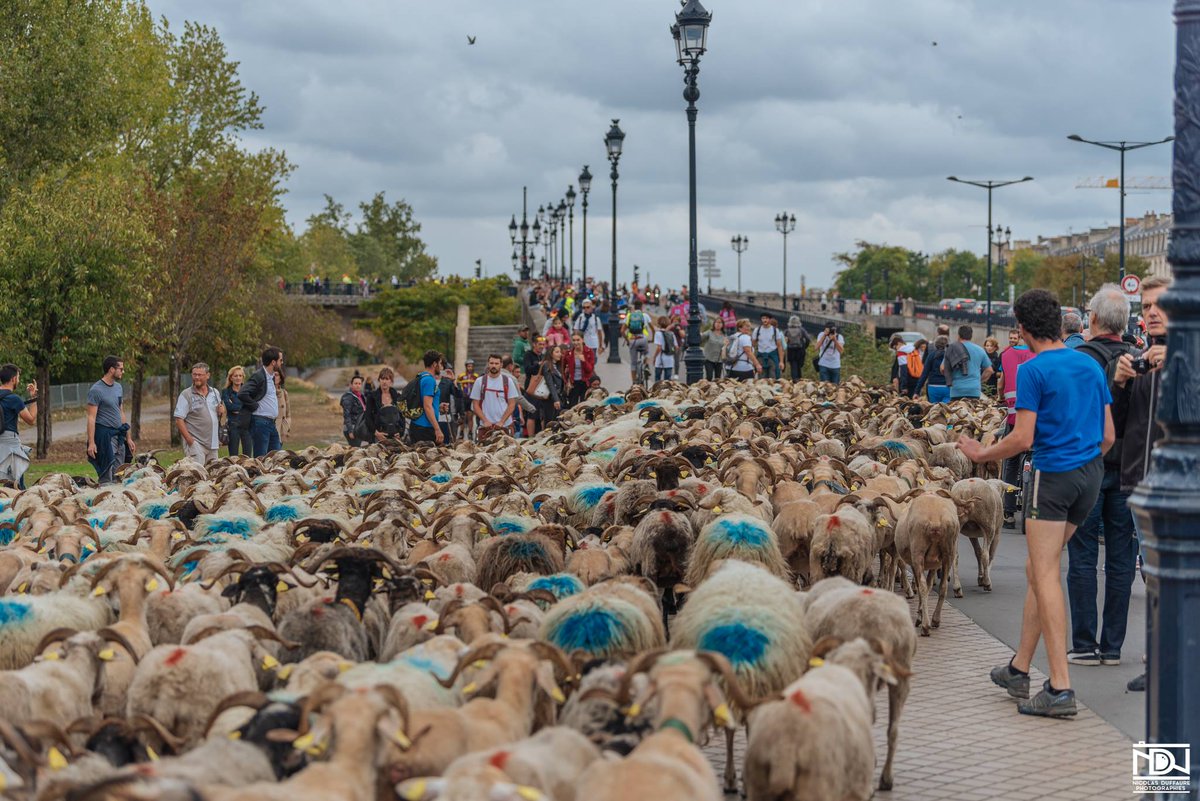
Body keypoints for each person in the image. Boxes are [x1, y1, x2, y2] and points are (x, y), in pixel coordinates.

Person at [959, 288, 1115, 718]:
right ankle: (1019, 667)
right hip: (1090, 476)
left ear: (1023, 328)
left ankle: (1061, 687)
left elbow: (1022, 439)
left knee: (1045, 573)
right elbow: (1108, 437)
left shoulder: (1032, 369)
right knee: (1036, 568)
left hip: (1054, 476)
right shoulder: (1089, 362)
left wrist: (979, 454)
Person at [1064, 284, 1138, 670]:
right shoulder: (1140, 359)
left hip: (1089, 466)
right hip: (1129, 471)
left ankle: (1082, 643)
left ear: (1091, 319)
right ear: (1125, 323)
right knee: (1122, 560)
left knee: (1083, 556)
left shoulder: (1080, 359)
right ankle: (1112, 647)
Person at [1111, 276, 1171, 692]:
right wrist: (1119, 383)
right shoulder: (1139, 359)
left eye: (1159, 305)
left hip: (1180, 488)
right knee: (1151, 575)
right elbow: (1116, 426)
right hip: (1139, 480)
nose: (1150, 311)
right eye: (1145, 305)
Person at [1000, 328, 1036, 526]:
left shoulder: (1006, 354)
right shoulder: (1039, 355)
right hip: (1036, 420)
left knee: (1011, 461)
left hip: (1014, 417)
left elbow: (1001, 384)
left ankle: (1008, 511)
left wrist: (1000, 398)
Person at [86, 355, 134, 484]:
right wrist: (91, 442)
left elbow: (121, 411)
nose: (123, 372)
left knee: (120, 474)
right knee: (107, 476)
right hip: (104, 437)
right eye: (121, 369)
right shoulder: (96, 390)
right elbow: (91, 417)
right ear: (112, 369)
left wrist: (128, 438)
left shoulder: (118, 387)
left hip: (119, 436)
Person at [173, 362, 223, 464]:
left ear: (207, 375)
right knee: (197, 475)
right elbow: (179, 420)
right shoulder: (186, 394)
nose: (196, 377)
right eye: (194, 374)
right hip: (196, 444)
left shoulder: (215, 392)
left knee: (213, 475)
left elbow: (218, 416)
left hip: (213, 444)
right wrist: (190, 441)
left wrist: (221, 412)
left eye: (199, 375)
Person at [238, 347, 284, 458]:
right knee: (261, 459)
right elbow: (242, 393)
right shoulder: (259, 376)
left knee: (275, 458)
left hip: (271, 423)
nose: (282, 362)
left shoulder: (271, 377)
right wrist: (254, 406)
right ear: (273, 362)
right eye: (280, 360)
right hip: (260, 423)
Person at [0, 364, 36, 489]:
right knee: (17, 487)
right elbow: (31, 420)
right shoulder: (14, 399)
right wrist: (33, 397)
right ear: (14, 379)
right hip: (11, 446)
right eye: (18, 378)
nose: (19, 381)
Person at [470, 354, 520, 436]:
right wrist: (485, 421)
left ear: (501, 365)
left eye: (496, 364)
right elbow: (475, 405)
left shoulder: (508, 381)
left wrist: (501, 422)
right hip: (485, 427)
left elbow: (512, 404)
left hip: (505, 426)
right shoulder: (479, 381)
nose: (494, 366)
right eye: (491, 363)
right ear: (488, 364)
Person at [943, 326, 993, 400]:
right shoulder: (980, 350)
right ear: (971, 336)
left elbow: (943, 368)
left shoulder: (952, 349)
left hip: (957, 390)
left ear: (959, 335)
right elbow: (989, 370)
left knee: (957, 411)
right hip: (974, 390)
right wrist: (978, 381)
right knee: (972, 411)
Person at [409, 350, 445, 446]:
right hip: (425, 428)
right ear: (434, 364)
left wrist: (439, 407)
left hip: (418, 426)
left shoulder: (421, 376)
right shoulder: (429, 380)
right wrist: (437, 429)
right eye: (440, 363)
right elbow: (427, 406)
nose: (441, 367)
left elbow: (424, 401)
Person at [528, 345, 566, 427]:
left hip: (558, 397)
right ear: (551, 354)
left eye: (560, 352)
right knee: (550, 422)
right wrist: (556, 399)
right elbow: (550, 384)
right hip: (550, 399)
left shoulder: (558, 365)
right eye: (557, 352)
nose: (560, 354)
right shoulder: (547, 365)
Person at [365, 367, 404, 443]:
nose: (384, 382)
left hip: (395, 436)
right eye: (382, 379)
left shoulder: (397, 396)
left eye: (387, 379)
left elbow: (402, 417)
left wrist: (401, 433)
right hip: (378, 435)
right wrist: (376, 433)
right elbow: (368, 417)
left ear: (391, 381)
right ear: (379, 380)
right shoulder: (372, 397)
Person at [222, 366, 253, 457]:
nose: (238, 378)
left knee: (247, 456)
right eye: (235, 376)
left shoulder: (248, 391)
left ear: (243, 377)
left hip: (247, 426)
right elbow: (229, 406)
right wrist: (243, 407)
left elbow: (251, 406)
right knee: (233, 456)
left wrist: (238, 408)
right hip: (233, 426)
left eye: (240, 375)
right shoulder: (226, 392)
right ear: (231, 377)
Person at [622, 300, 652, 384]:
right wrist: (652, 338)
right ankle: (646, 367)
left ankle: (634, 382)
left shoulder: (629, 316)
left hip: (633, 340)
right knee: (646, 353)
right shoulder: (645, 315)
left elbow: (622, 331)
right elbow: (652, 328)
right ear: (642, 307)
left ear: (634, 307)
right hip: (643, 339)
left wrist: (628, 340)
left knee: (633, 363)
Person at [915, 336, 950, 403]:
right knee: (946, 410)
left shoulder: (931, 356)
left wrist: (917, 391)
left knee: (934, 410)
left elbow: (924, 374)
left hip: (933, 387)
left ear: (935, 345)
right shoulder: (950, 356)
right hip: (947, 387)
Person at [564, 333, 595, 406]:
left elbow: (590, 370)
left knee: (584, 405)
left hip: (585, 382)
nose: (576, 342)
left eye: (578, 340)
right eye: (574, 340)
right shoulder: (569, 353)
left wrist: (584, 361)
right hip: (573, 383)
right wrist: (566, 382)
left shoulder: (589, 351)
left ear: (582, 340)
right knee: (572, 405)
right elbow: (563, 369)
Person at [340, 375, 368, 446]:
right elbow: (347, 414)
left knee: (360, 448)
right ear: (351, 385)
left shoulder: (361, 396)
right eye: (355, 383)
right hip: (352, 427)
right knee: (356, 450)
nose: (358, 385)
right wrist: (350, 431)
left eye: (359, 384)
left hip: (359, 427)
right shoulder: (348, 397)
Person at [753, 314, 783, 380]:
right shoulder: (757, 330)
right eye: (763, 318)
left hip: (772, 355)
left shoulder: (775, 330)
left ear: (769, 319)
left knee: (773, 376)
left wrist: (781, 361)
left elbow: (779, 346)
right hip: (761, 356)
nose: (764, 320)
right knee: (761, 377)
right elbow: (753, 344)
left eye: (766, 318)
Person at [438, 365, 462, 442]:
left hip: (444, 418)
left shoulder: (447, 382)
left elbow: (459, 395)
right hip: (429, 419)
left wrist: (453, 380)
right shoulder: (427, 380)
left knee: (446, 443)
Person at [652, 316, 678, 383]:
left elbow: (659, 348)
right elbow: (676, 347)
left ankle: (657, 393)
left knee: (658, 380)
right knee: (667, 381)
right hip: (669, 359)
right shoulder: (671, 334)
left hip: (660, 359)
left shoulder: (658, 334)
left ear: (659, 324)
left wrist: (654, 357)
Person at [784, 315, 810, 381]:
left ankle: (794, 379)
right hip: (800, 350)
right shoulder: (801, 330)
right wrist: (805, 346)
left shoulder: (787, 330)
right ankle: (799, 378)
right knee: (799, 365)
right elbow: (808, 339)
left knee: (793, 365)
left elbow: (783, 340)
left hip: (790, 350)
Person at [274, 372, 291, 443]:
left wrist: (287, 429)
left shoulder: (284, 393)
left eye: (276, 375)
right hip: (269, 430)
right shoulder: (265, 393)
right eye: (272, 375)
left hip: (281, 432)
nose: (274, 377)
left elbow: (288, 414)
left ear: (280, 377)